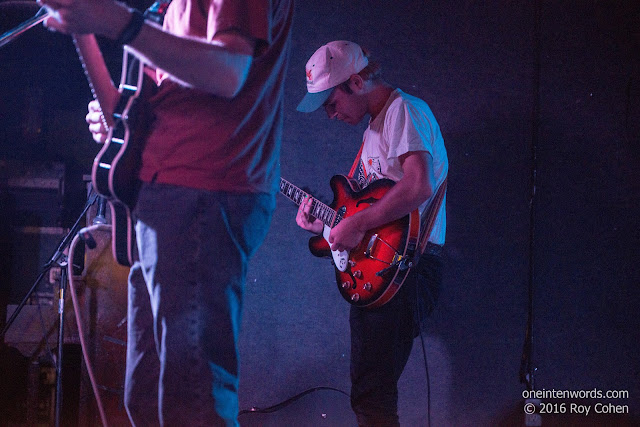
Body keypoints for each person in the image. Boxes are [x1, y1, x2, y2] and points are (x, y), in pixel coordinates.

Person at [39, 0, 294, 424]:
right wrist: (81, 29)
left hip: (201, 186)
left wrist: (115, 21)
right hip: (167, 193)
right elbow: (132, 111)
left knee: (190, 400)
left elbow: (228, 72)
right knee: (146, 395)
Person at [295, 40, 448, 425]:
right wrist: (324, 223)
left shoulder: (404, 111)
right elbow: (358, 210)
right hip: (383, 268)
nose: (330, 114)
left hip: (408, 268)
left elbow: (418, 186)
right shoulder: (372, 133)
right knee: (370, 392)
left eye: (331, 103)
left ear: (357, 82)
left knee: (372, 394)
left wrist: (356, 223)